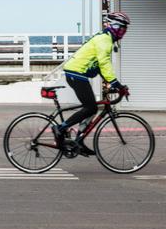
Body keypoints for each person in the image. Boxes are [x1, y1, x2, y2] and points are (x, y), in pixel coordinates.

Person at [53, 12, 131, 157]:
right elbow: (104, 63)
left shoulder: (106, 39)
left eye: (124, 29)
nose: (123, 32)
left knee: (92, 109)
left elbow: (100, 66)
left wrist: (112, 83)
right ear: (113, 26)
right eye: (121, 28)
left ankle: (79, 141)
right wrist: (116, 84)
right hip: (76, 73)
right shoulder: (104, 40)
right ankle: (60, 128)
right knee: (90, 107)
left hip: (79, 74)